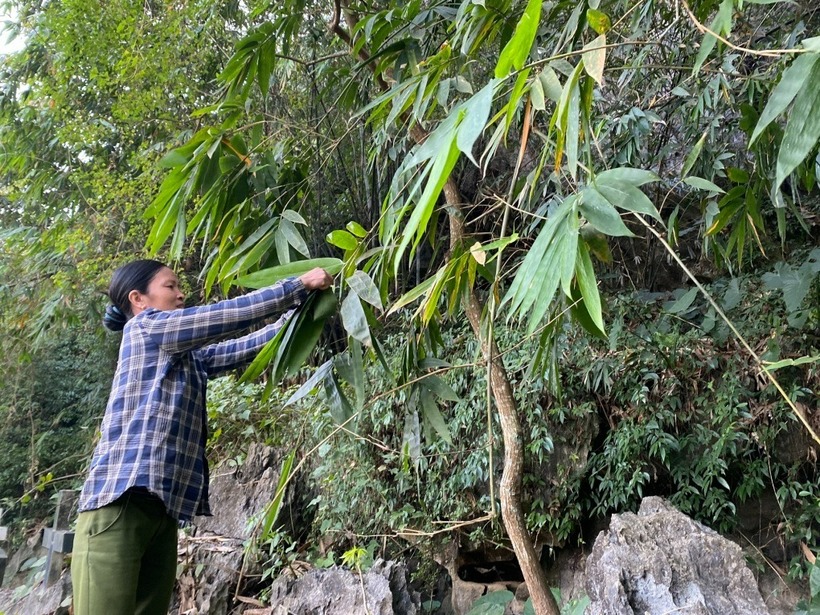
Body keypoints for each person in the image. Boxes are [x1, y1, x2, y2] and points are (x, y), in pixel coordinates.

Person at [71, 259, 333, 615]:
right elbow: (225, 315)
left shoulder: (190, 358)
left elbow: (255, 344)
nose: (181, 294)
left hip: (162, 515)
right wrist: (295, 286)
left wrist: (303, 311)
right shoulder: (145, 329)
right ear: (139, 299)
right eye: (170, 286)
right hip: (118, 507)